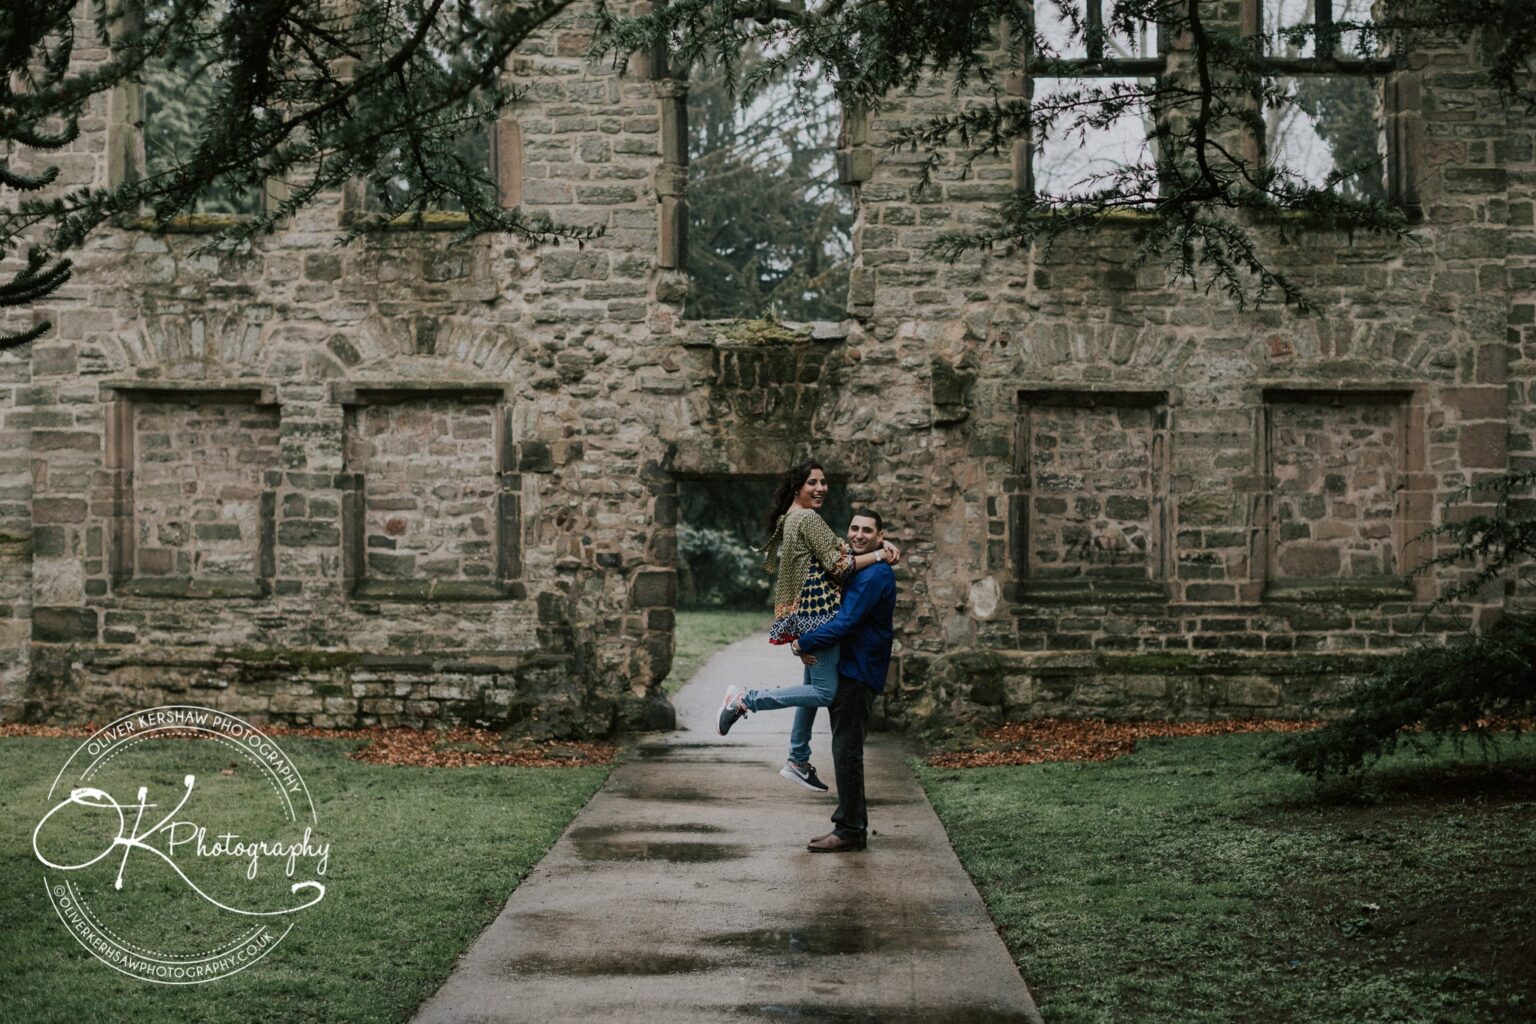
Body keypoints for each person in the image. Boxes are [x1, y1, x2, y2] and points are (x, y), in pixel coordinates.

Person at [716, 461, 896, 793]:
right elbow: (841, 563)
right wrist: (881, 555)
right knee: (825, 693)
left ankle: (798, 758)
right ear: (797, 486)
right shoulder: (807, 518)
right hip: (820, 615)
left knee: (812, 689)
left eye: (824, 482)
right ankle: (745, 699)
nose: (821, 488)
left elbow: (835, 551)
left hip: (805, 614)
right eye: (812, 482)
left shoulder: (791, 517)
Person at [792, 509, 896, 853]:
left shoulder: (875, 576)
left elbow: (847, 621)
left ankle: (851, 830)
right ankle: (848, 825)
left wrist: (803, 642)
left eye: (868, 530)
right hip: (848, 669)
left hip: (859, 672)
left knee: (847, 751)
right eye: (854, 528)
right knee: (844, 749)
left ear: (879, 535)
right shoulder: (862, 565)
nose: (859, 534)